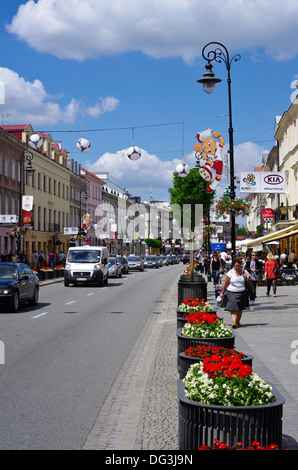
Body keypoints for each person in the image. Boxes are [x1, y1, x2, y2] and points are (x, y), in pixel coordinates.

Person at [219, 258, 252, 328]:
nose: (237, 267)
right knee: (234, 307)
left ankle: (237, 322)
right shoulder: (230, 273)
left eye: (238, 266)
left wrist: (247, 278)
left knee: (240, 308)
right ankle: (234, 322)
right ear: (233, 266)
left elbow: (250, 280)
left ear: (240, 265)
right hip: (232, 292)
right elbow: (226, 284)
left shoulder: (244, 271)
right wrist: (222, 293)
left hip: (242, 292)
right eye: (235, 266)